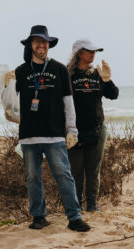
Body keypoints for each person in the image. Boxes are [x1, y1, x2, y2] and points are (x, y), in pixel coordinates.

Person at [9, 25, 90, 232]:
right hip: (28, 136)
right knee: (33, 177)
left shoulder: (59, 69)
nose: (41, 45)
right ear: (31, 45)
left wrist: (72, 130)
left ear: (48, 45)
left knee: (64, 174)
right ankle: (38, 216)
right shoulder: (20, 71)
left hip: (55, 134)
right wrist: (7, 84)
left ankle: (74, 217)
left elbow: (68, 102)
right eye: (36, 41)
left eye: (44, 41)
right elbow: (9, 105)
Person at [66, 38, 119, 212]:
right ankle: (76, 205)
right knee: (76, 171)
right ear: (79, 53)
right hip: (73, 131)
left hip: (97, 129)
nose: (93, 54)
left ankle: (92, 205)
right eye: (90, 51)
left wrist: (108, 79)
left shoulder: (97, 74)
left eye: (95, 51)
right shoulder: (68, 76)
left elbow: (114, 95)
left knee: (93, 170)